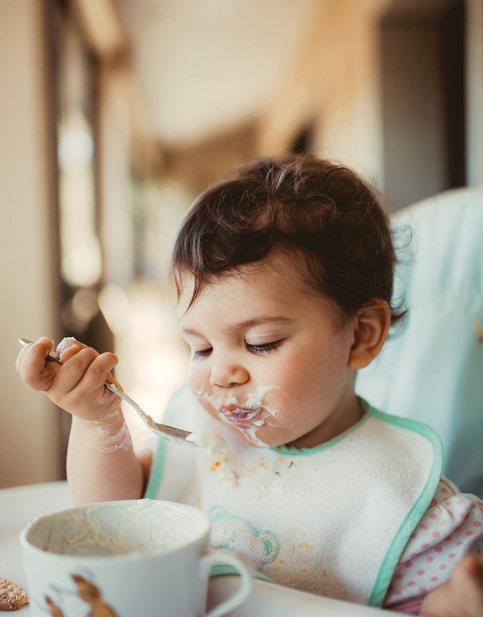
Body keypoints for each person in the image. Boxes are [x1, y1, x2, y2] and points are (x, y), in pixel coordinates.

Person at [16, 155, 483, 615]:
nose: (221, 373)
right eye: (200, 348)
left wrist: (456, 602)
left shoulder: (399, 495)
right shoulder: (202, 441)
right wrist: (97, 419)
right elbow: (110, 515)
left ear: (361, 334)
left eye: (260, 343)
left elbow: (431, 603)